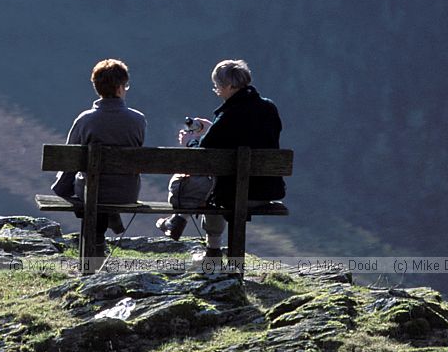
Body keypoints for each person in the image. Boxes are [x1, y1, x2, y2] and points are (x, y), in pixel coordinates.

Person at [157, 59, 284, 259]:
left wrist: (190, 141)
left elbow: (204, 156)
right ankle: (182, 224)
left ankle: (210, 249)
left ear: (228, 86)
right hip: (264, 190)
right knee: (216, 186)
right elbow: (241, 137)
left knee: (204, 185)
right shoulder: (269, 108)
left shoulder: (229, 114)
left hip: (233, 193)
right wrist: (212, 128)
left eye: (217, 86)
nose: (216, 90)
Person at [51, 59, 146, 258]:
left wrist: (61, 189)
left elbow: (70, 161)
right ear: (120, 87)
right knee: (106, 186)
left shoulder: (85, 120)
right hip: (126, 192)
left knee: (90, 188)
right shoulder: (138, 120)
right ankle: (106, 230)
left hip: (91, 192)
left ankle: (95, 246)